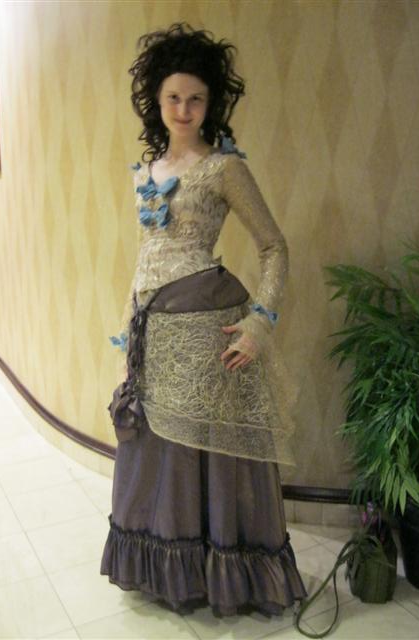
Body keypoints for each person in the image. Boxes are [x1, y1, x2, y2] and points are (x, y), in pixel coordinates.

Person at [100, 22, 307, 617]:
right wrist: (127, 335)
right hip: (153, 331)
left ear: (210, 102)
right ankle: (169, 573)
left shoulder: (223, 169)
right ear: (156, 101)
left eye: (195, 98)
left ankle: (220, 578)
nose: (184, 109)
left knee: (202, 453)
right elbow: (145, 257)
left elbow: (274, 247)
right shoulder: (146, 173)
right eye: (173, 97)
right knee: (159, 448)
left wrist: (260, 324)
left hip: (204, 328)